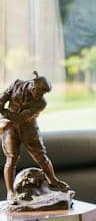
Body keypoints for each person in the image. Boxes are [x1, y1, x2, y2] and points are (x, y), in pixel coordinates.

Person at [0, 71, 70, 202]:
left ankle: (53, 180)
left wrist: (4, 113)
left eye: (43, 93)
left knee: (41, 157)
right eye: (39, 91)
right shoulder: (16, 84)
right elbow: (2, 98)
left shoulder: (41, 103)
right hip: (10, 130)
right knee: (11, 159)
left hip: (29, 130)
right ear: (32, 84)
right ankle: (10, 193)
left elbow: (21, 117)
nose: (40, 95)